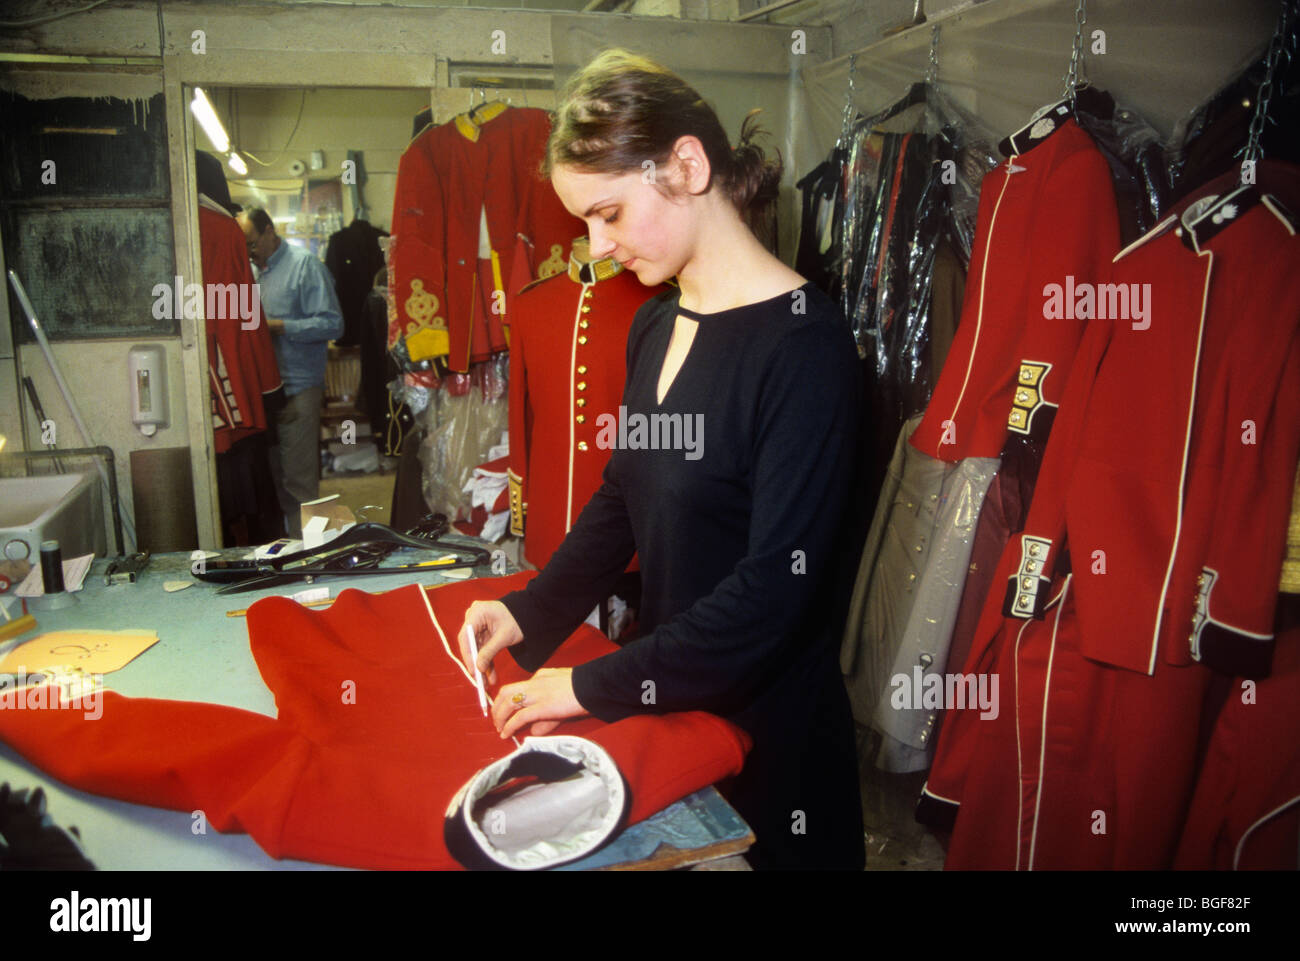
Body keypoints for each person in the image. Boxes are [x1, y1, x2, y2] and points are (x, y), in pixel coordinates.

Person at [458, 49, 866, 870]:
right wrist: (532, 611)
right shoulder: (657, 323)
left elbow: (769, 598)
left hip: (767, 742)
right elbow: (623, 495)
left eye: (607, 213)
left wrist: (581, 688)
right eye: (583, 223)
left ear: (687, 164)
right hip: (672, 710)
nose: (597, 247)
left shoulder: (806, 347)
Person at [237, 207, 344, 536]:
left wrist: (279, 327)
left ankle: (315, 558)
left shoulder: (305, 266)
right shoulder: (251, 273)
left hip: (299, 387)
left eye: (253, 244)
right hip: (265, 392)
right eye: (245, 248)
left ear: (270, 231)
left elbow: (334, 324)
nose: (250, 253)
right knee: (276, 482)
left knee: (301, 484)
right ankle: (294, 553)